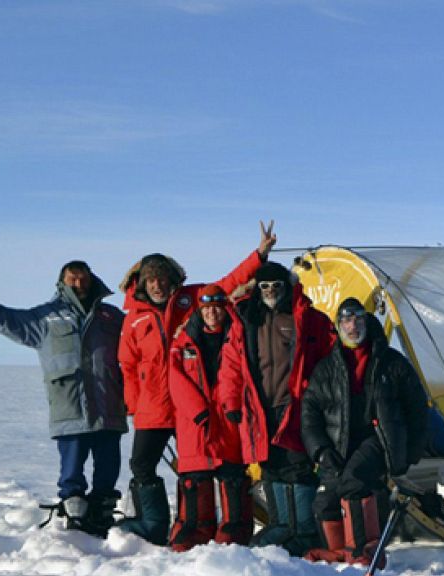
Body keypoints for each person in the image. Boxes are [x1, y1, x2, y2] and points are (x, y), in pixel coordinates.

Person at [115, 221, 276, 544]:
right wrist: (133, 405)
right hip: (154, 407)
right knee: (142, 464)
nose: (158, 285)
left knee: (205, 464)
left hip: (194, 407)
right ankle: (153, 523)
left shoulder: (191, 300)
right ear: (142, 283)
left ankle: (211, 524)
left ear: (172, 279)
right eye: (151, 280)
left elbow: (229, 284)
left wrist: (259, 255)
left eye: (163, 278)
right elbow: (128, 366)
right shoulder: (134, 318)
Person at [0, 260, 126, 536]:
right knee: (72, 471)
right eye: (72, 279)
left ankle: (102, 513)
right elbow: (5, 320)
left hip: (109, 405)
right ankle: (75, 517)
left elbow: (140, 345)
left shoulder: (112, 317)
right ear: (62, 282)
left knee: (108, 467)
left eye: (83, 278)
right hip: (70, 407)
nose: (79, 283)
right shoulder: (46, 317)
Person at [299, 297, 429, 566]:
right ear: (338, 326)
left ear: (367, 322)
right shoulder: (326, 369)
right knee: (325, 499)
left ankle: (364, 553)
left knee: (354, 481)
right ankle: (338, 558)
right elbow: (309, 415)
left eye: (358, 319)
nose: (353, 326)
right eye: (346, 321)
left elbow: (417, 408)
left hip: (379, 439)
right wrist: (321, 450)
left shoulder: (391, 363)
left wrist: (411, 452)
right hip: (338, 444)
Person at [240, 261, 336, 552]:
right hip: (261, 406)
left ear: (287, 286)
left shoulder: (305, 318)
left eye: (276, 286)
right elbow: (235, 362)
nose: (270, 291)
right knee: (270, 465)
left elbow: (329, 357)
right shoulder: (249, 320)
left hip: (295, 403)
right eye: (265, 286)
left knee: (297, 465)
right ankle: (282, 525)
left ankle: (303, 531)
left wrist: (319, 395)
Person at [165, 287, 267, 551]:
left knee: (232, 476)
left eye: (217, 307)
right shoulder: (184, 340)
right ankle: (195, 529)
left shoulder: (238, 335)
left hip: (228, 418)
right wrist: (198, 410)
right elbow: (175, 378)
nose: (212, 313)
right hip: (194, 422)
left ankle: (235, 529)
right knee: (195, 477)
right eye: (207, 308)